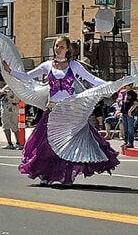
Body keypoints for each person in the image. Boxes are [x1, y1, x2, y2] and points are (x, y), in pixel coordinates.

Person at [13, 36, 125, 185]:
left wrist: (111, 85)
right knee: (47, 145)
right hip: (53, 111)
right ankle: (46, 176)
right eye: (56, 46)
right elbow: (27, 76)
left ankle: (67, 177)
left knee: (69, 146)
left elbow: (92, 79)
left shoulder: (74, 66)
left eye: (61, 46)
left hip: (69, 113)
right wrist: (11, 72)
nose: (57, 49)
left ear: (67, 49)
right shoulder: (47, 65)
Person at [0, 74, 20, 149]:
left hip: (7, 107)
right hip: (15, 107)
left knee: (6, 125)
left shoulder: (8, 86)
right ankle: (18, 143)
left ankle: (10, 143)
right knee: (15, 125)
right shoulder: (17, 86)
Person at [118, 83, 138, 148]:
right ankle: (126, 141)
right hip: (124, 112)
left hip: (130, 113)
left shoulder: (133, 93)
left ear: (130, 86)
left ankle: (130, 142)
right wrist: (121, 112)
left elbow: (135, 103)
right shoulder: (124, 93)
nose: (125, 86)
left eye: (127, 85)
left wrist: (130, 110)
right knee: (125, 128)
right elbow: (123, 104)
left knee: (130, 129)